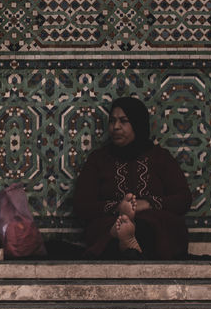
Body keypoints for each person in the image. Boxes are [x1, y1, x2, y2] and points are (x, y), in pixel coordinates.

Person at [73, 96, 191, 259]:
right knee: (112, 227)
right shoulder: (98, 159)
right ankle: (125, 239)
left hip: (153, 223)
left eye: (123, 121)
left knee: (149, 226)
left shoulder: (160, 157)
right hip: (111, 222)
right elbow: (82, 205)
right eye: (112, 121)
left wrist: (148, 204)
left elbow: (183, 199)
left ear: (138, 123)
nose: (116, 127)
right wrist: (117, 208)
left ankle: (127, 241)